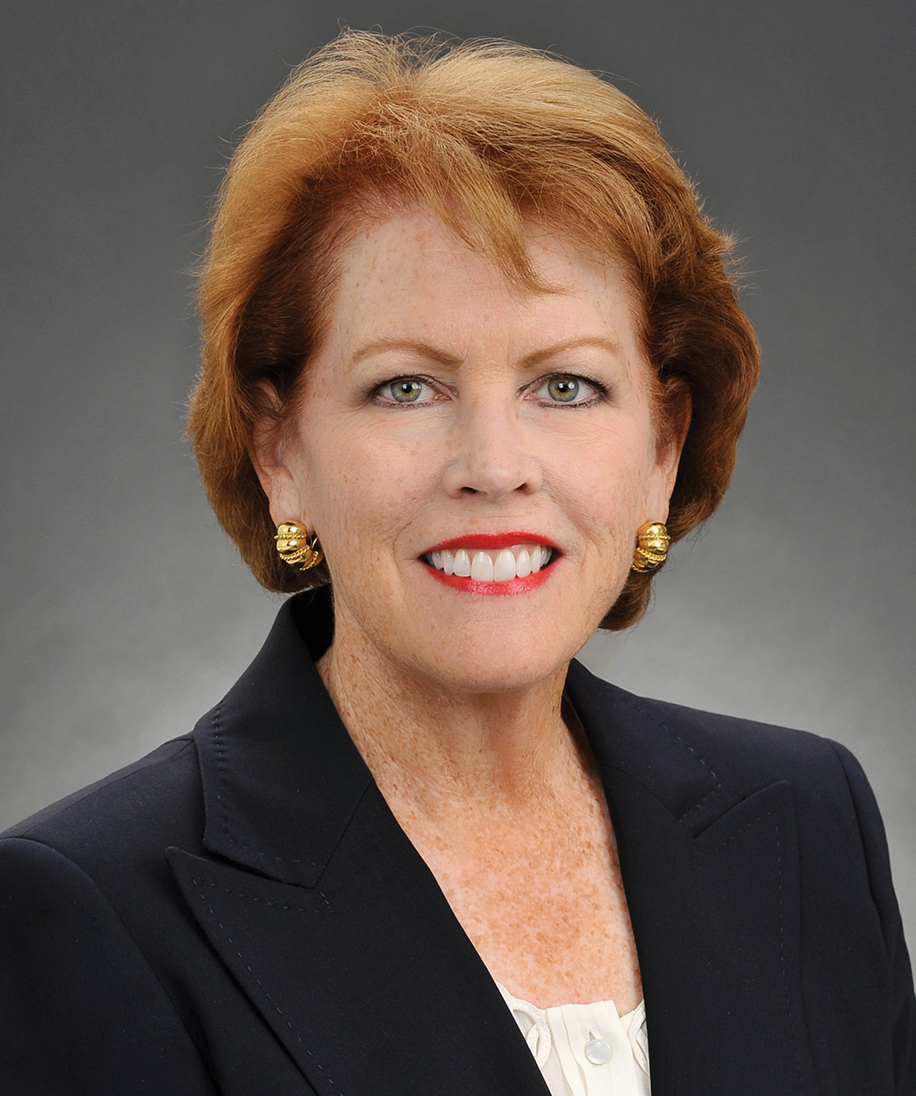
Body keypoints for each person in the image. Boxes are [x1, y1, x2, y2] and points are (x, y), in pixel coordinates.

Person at [1, 30, 913, 1096]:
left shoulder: (807, 820)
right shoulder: (87, 909)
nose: (493, 467)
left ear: (662, 450)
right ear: (278, 450)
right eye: (406, 387)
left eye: (565, 386)